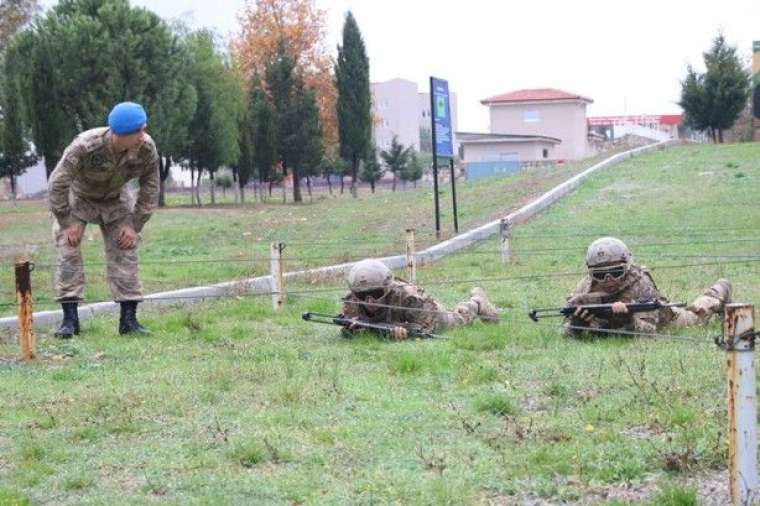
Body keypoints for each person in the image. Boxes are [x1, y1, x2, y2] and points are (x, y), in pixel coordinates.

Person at [47, 102, 159, 338]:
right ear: (120, 134)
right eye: (137, 132)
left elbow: (150, 188)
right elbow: (57, 184)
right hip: (80, 199)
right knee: (68, 249)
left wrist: (134, 225)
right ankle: (70, 321)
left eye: (144, 129)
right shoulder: (85, 146)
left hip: (116, 200)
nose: (143, 136)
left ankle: (129, 321)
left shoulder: (146, 148)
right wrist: (66, 222)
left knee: (126, 248)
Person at [563, 237, 731, 336]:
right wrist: (577, 324)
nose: (608, 279)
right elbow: (566, 332)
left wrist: (628, 319)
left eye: (616, 272)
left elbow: (649, 332)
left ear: (627, 266)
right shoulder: (585, 288)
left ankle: (720, 289)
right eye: (600, 275)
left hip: (666, 320)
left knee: (697, 315)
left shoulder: (640, 283)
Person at [340, 259, 499, 339]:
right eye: (361, 296)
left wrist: (402, 331)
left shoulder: (409, 297)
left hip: (431, 317)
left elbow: (426, 331)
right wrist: (352, 329)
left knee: (458, 319)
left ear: (387, 288)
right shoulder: (352, 301)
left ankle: (477, 302)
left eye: (376, 294)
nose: (369, 301)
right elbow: (346, 328)